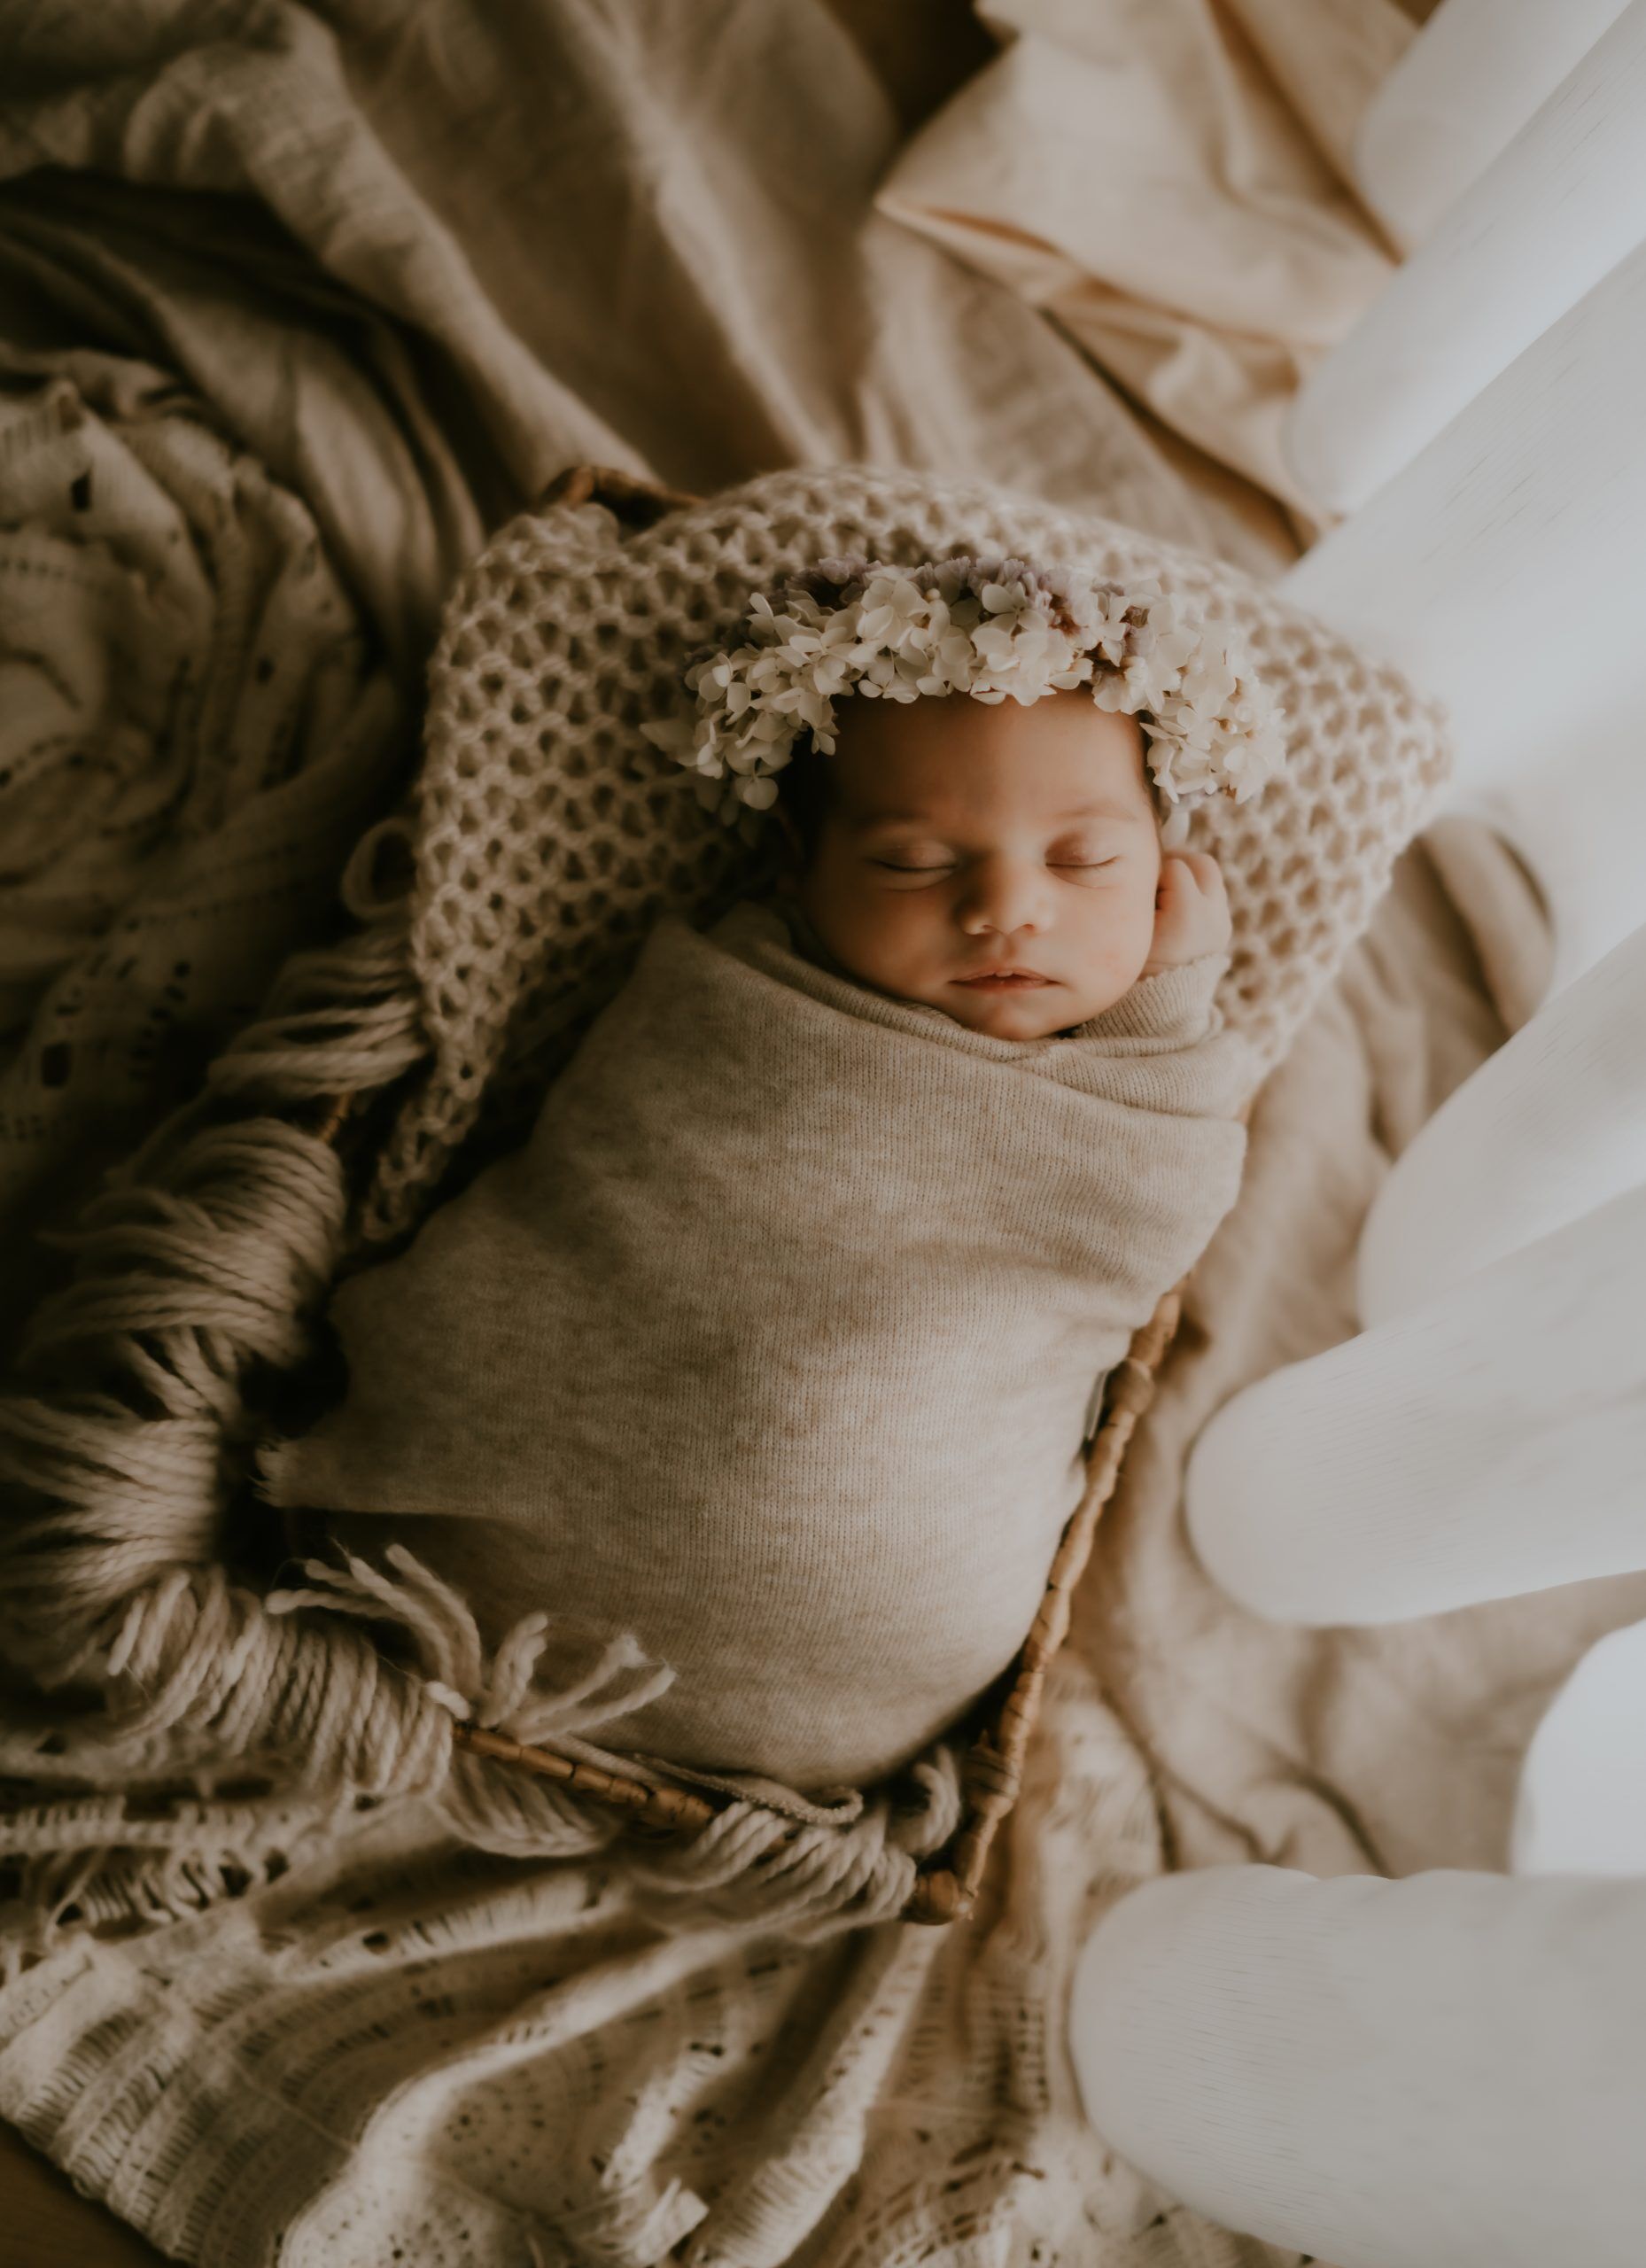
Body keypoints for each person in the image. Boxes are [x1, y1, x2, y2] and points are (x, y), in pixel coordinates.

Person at [257, 556, 1282, 1799]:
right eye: (911, 861)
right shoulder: (730, 1008)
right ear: (797, 877)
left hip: (874, 1650)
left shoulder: (1149, 1089)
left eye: (1083, 864)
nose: (1006, 910)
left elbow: (1158, 1201)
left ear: (1166, 868)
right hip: (487, 1519)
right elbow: (614, 1187)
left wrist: (1170, 1002)